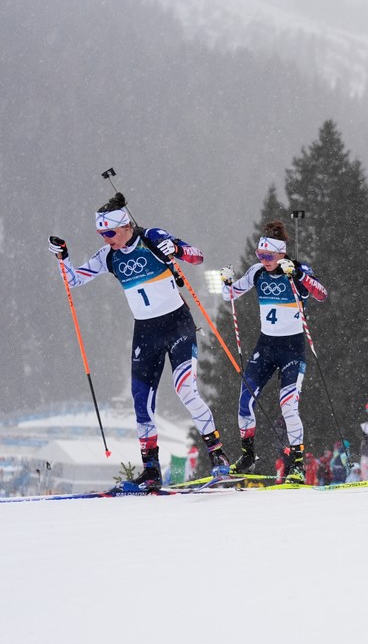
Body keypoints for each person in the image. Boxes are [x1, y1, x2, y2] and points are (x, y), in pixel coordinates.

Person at [48, 192, 229, 490]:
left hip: (177, 325)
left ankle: (219, 457)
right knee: (141, 403)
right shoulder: (108, 256)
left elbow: (198, 256)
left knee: (185, 390)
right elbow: (73, 280)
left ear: (126, 226)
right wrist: (62, 257)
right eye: (101, 233)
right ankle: (151, 470)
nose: (106, 239)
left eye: (110, 232)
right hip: (145, 332)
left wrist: (178, 250)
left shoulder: (152, 237)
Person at [220, 220, 328, 483]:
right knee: (244, 401)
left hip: (292, 348)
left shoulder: (297, 270)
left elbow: (322, 294)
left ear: (281, 253)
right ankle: (248, 456)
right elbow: (230, 295)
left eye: (269, 256)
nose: (264, 260)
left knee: (288, 406)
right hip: (266, 346)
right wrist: (226, 282)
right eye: (261, 255)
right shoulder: (257, 272)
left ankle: (298, 465)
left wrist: (300, 276)